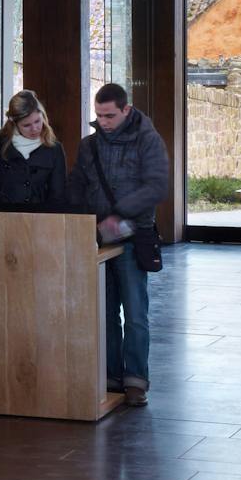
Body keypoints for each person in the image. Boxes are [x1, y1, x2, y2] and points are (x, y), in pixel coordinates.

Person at [0, 89, 71, 404]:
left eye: (38, 121)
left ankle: (30, 382)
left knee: (33, 309)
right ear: (14, 124)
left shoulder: (54, 150)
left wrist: (47, 233)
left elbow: (58, 198)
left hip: (37, 237)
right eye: (27, 125)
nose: (35, 129)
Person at [73, 80, 171, 404]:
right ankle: (111, 377)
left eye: (110, 116)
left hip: (133, 236)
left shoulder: (148, 140)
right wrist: (79, 223)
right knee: (104, 313)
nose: (103, 122)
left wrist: (118, 214)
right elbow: (77, 187)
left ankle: (136, 382)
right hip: (98, 240)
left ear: (126, 110)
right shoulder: (88, 146)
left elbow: (157, 186)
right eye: (99, 115)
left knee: (135, 312)